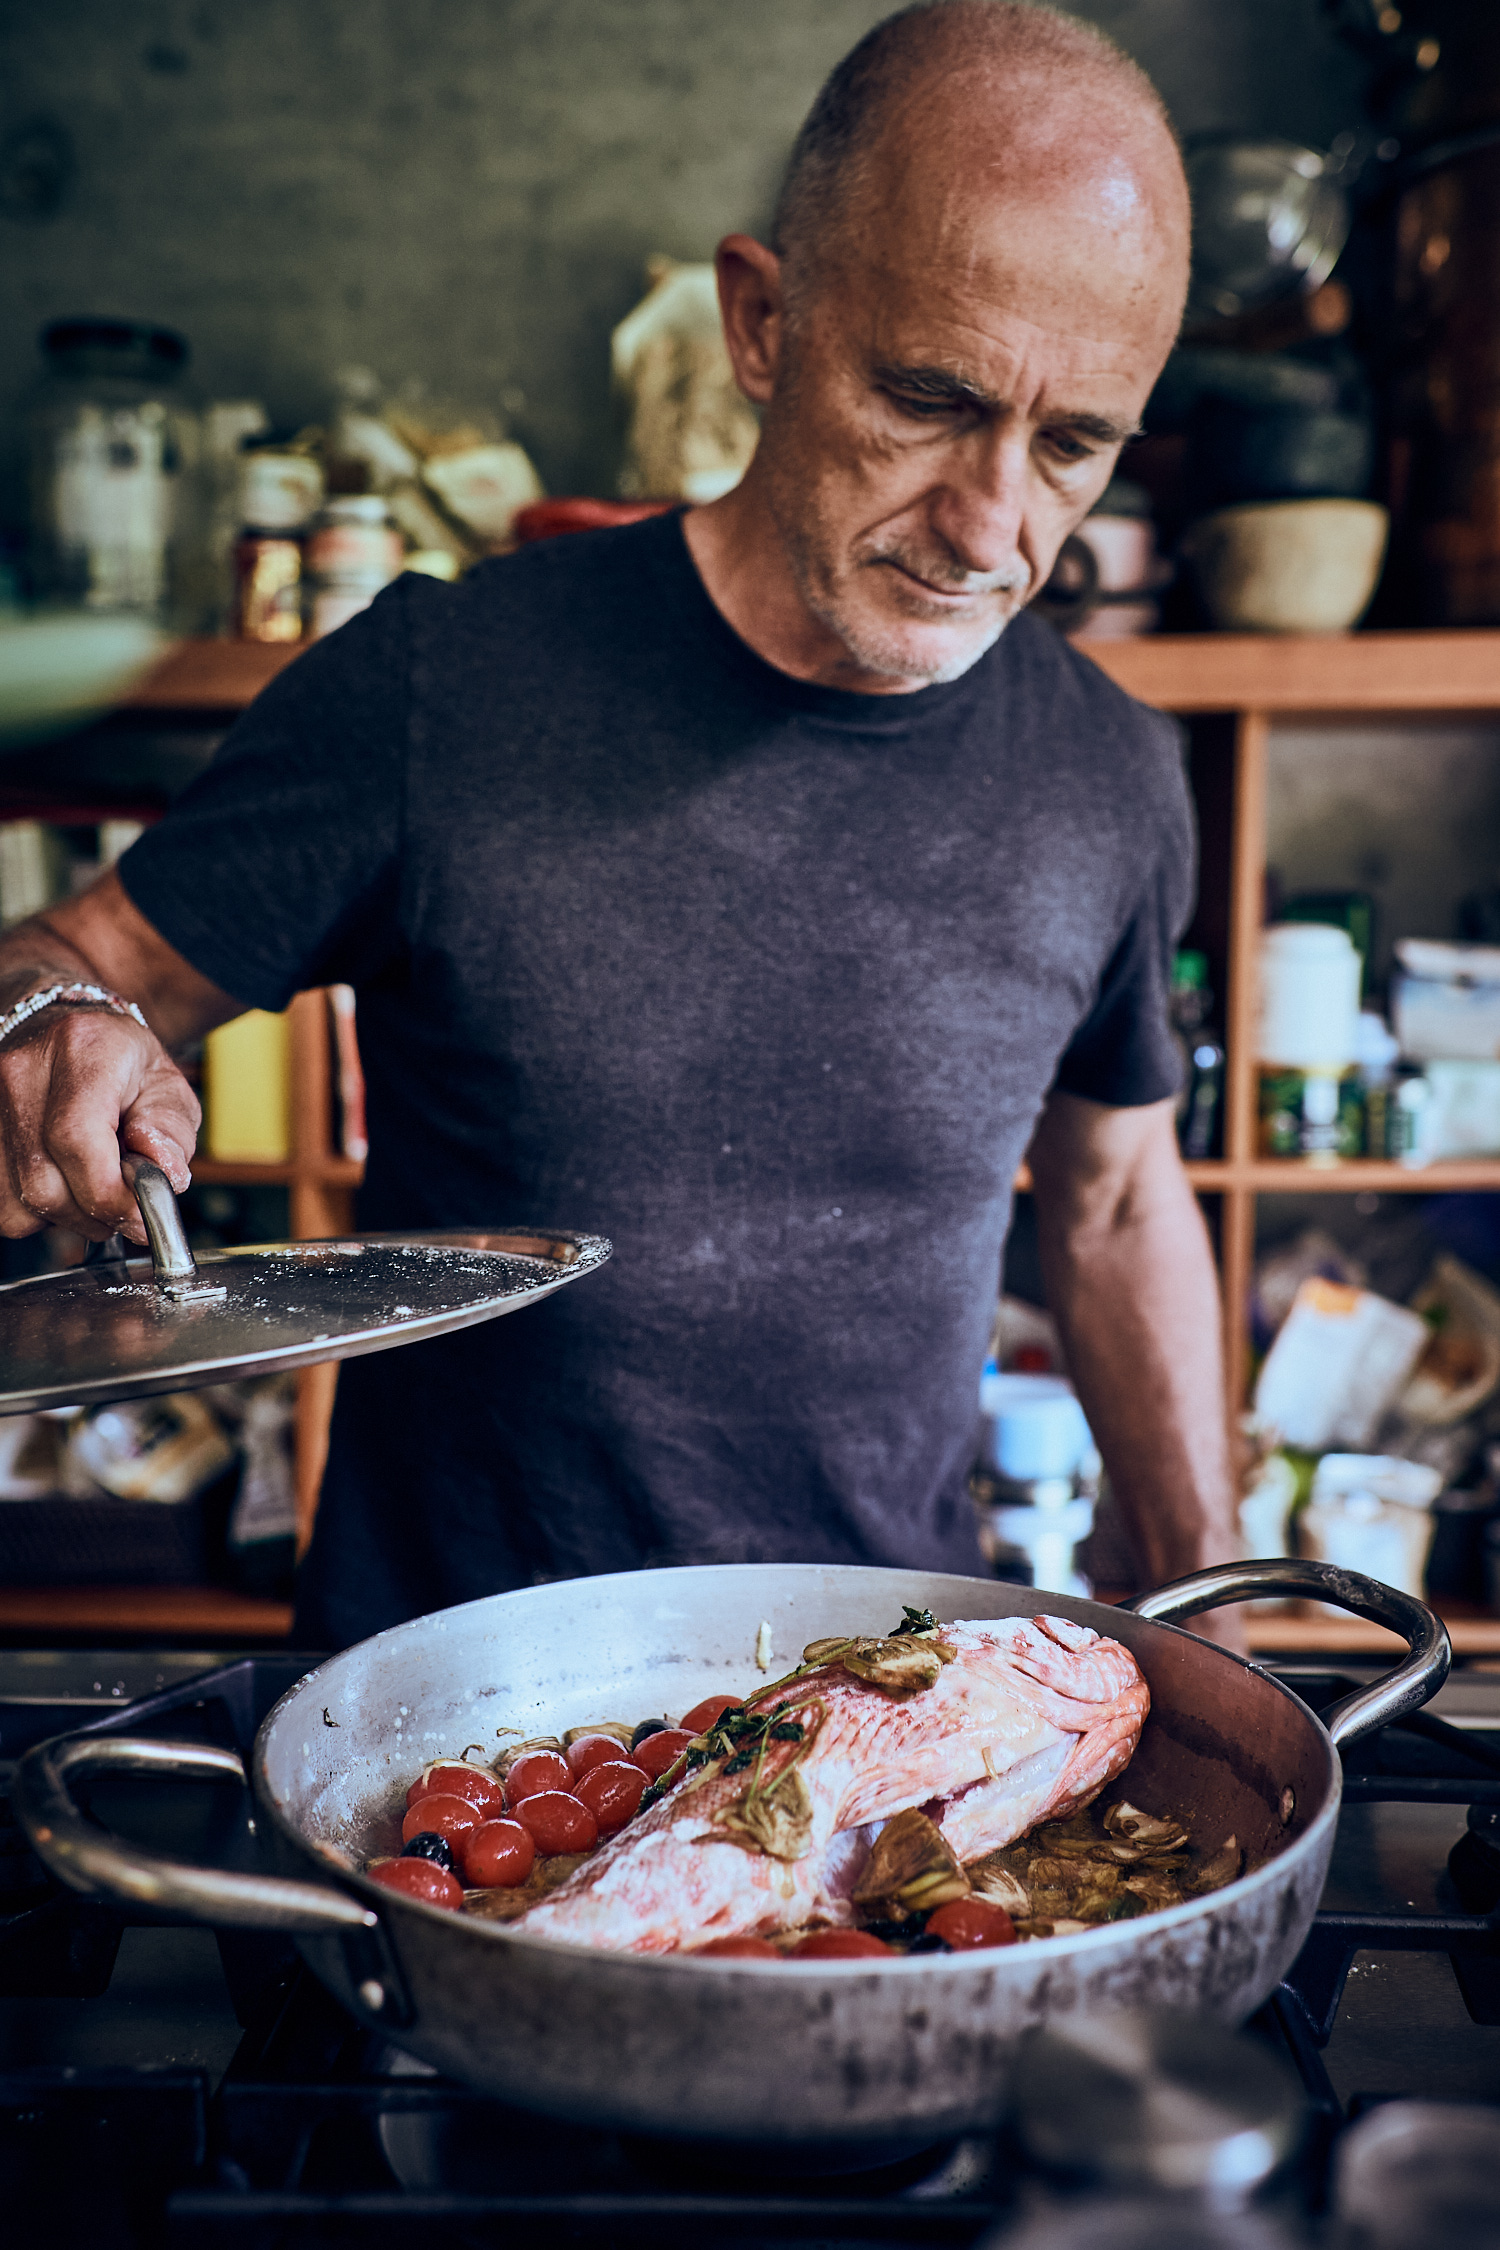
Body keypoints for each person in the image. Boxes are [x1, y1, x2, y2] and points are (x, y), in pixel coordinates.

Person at [0, 0, 1239, 1650]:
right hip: (449, 1740)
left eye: (1075, 443)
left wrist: (1220, 1620)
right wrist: (54, 1020)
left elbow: (1116, 1201)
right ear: (762, 323)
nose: (993, 526)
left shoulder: (1114, 774)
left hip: (877, 1720)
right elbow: (73, 963)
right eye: (930, 398)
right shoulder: (439, 688)